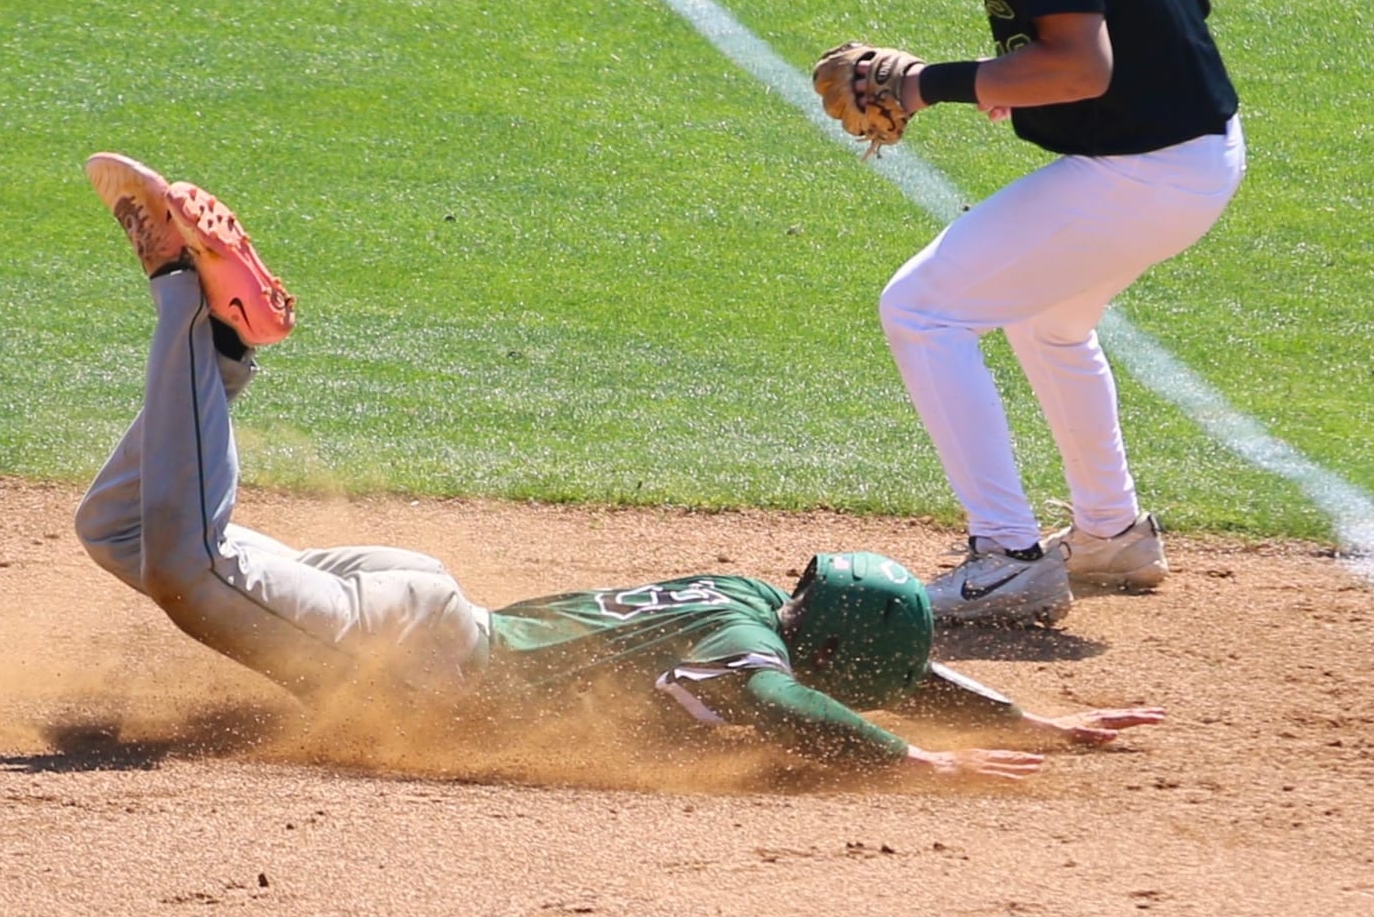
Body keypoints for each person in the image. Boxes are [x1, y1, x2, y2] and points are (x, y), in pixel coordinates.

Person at [75, 153, 1162, 780]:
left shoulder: (748, 599)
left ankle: (224, 355)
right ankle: (190, 299)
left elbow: (877, 664)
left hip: (420, 607)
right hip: (408, 652)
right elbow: (795, 706)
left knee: (122, 530)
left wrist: (1021, 719)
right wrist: (918, 761)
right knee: (185, 563)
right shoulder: (743, 655)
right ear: (825, 651)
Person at [856, 0, 1247, 626]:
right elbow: (1179, 4)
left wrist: (929, 84)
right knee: (1048, 317)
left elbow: (1082, 63)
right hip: (1196, 148)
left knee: (921, 308)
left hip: (1149, 169)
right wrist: (1018, 81)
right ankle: (1110, 532)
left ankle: (1005, 556)